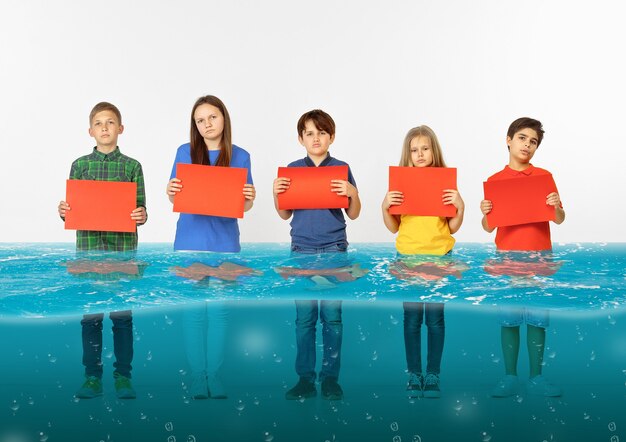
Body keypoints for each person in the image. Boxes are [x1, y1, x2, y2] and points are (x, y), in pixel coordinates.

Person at [166, 95, 256, 399]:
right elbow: (175, 195)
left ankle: (214, 376)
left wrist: (249, 196)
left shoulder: (241, 156)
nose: (207, 124)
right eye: (200, 120)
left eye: (212, 117)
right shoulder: (185, 152)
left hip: (225, 244)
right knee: (193, 313)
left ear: (224, 119)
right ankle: (197, 376)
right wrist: (170, 190)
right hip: (190, 241)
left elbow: (244, 203)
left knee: (219, 313)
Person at [58, 102, 147, 399]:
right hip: (89, 252)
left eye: (111, 122)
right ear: (90, 131)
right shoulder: (80, 165)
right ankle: (92, 377)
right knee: (91, 317)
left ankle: (123, 376)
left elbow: (141, 210)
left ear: (120, 129)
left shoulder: (133, 166)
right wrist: (63, 211)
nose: (105, 127)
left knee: (122, 318)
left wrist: (141, 215)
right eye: (99, 123)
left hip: (122, 252)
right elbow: (73, 210)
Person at [273, 109, 361, 401]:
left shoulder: (342, 168)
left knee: (333, 318)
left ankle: (331, 379)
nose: (315, 138)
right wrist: (277, 193)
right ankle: (305, 379)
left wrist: (352, 192)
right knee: (305, 320)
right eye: (309, 133)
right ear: (301, 139)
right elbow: (285, 213)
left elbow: (354, 213)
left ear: (331, 136)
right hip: (301, 251)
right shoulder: (293, 169)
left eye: (321, 132)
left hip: (334, 250)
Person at [480, 117, 565, 397]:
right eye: (522, 138)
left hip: (540, 258)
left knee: (538, 318)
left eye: (533, 142)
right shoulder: (495, 181)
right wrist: (486, 211)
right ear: (508, 139)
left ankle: (537, 377)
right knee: (510, 318)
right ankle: (509, 377)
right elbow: (488, 226)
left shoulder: (544, 177)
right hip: (508, 259)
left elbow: (560, 219)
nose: (527, 145)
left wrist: (556, 205)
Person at [382, 125, 464, 398]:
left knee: (435, 320)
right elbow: (393, 227)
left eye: (425, 148)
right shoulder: (401, 185)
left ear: (434, 150)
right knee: (412, 320)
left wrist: (459, 206)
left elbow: (452, 227)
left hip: (440, 258)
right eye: (414, 150)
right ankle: (414, 374)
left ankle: (433, 375)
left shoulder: (444, 183)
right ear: (408, 154)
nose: (419, 154)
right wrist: (386, 205)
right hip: (408, 258)